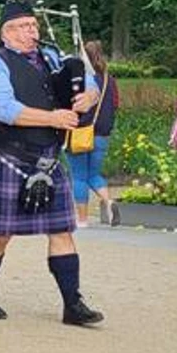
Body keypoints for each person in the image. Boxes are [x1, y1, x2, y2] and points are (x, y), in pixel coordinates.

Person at [0, 2, 104, 326]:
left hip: (48, 159)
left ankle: (73, 304)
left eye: (34, 25)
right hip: (10, 157)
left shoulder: (52, 57)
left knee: (62, 231)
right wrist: (53, 117)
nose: (33, 31)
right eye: (24, 26)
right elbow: (4, 108)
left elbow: (91, 82)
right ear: (7, 32)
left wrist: (89, 96)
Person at [64, 40, 120, 227]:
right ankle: (108, 202)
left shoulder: (79, 79)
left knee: (79, 176)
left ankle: (82, 219)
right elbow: (115, 105)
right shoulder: (109, 80)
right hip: (102, 134)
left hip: (80, 132)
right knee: (93, 174)